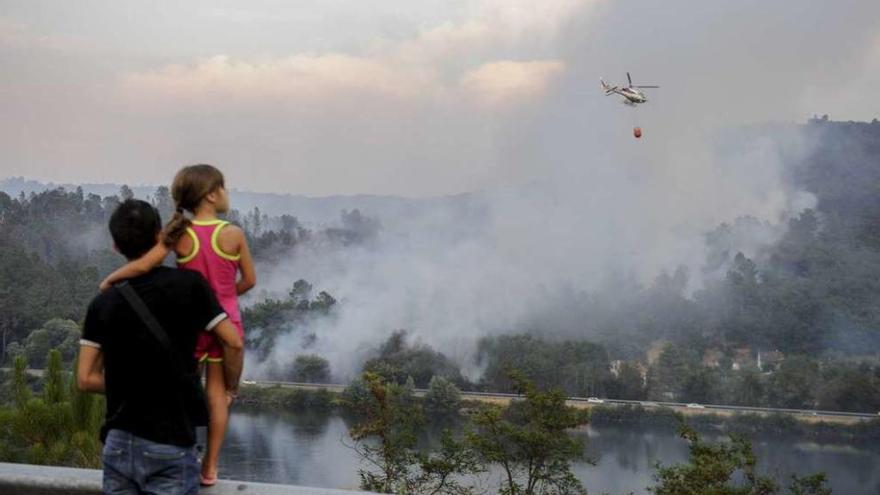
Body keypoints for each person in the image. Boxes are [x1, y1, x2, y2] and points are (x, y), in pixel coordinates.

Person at [100, 164, 256, 485]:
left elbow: (144, 265)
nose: (226, 192)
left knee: (184, 385)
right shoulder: (233, 234)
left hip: (192, 324)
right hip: (226, 324)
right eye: (223, 187)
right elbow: (249, 281)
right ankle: (210, 467)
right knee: (219, 394)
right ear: (212, 195)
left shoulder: (179, 235)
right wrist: (225, 298)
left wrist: (111, 280)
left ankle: (182, 448)